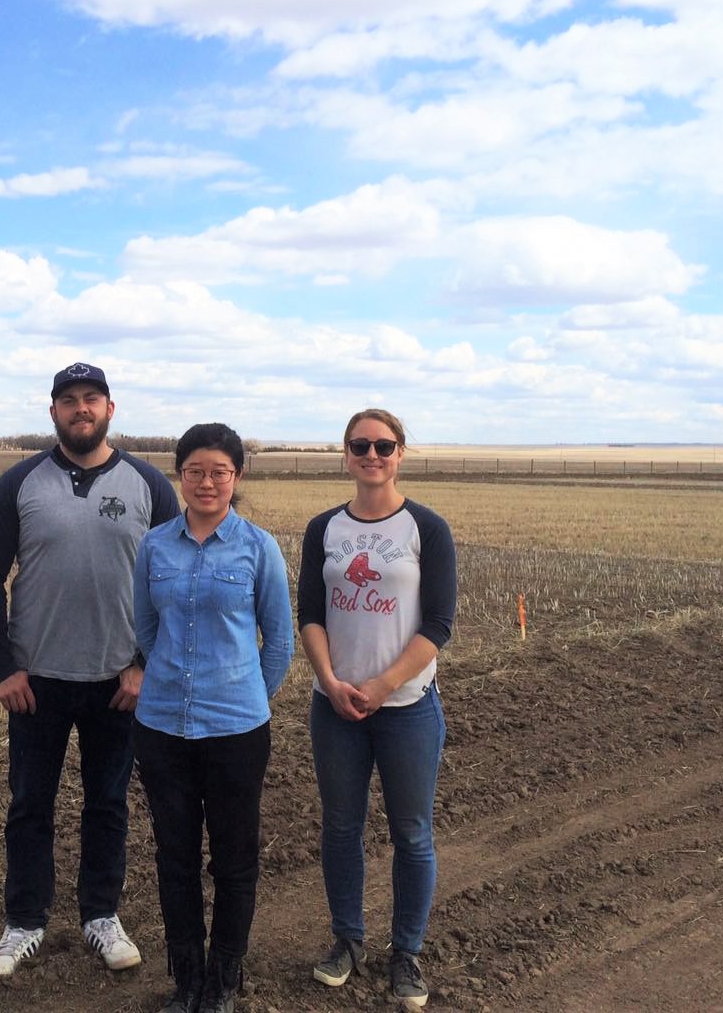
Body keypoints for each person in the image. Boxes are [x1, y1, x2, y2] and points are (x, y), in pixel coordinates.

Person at [0, 362, 179, 977]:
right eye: (69, 400)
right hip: (36, 681)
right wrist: (3, 667)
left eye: (91, 399)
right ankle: (25, 922)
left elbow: (174, 576)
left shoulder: (148, 484)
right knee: (29, 804)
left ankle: (100, 915)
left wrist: (144, 664)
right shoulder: (19, 483)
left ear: (110, 409)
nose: (80, 409)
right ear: (53, 412)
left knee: (108, 803)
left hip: (118, 681)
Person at [130, 423, 294, 1013]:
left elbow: (279, 639)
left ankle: (225, 978)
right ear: (180, 475)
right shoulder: (155, 546)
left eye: (219, 472)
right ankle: (186, 977)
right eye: (195, 470)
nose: (206, 482)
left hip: (237, 732)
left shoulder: (258, 547)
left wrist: (249, 694)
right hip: (162, 728)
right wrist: (172, 679)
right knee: (173, 855)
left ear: (237, 477)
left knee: (233, 857)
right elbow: (145, 627)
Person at [298, 409, 456, 1009]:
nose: (372, 454)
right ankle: (347, 941)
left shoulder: (426, 528)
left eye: (383, 445)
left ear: (400, 454)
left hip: (408, 708)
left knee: (412, 833)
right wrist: (331, 681)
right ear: (345, 453)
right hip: (335, 706)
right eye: (360, 445)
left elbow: (439, 623)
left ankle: (407, 953)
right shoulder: (324, 529)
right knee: (341, 828)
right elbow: (310, 611)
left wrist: (384, 685)